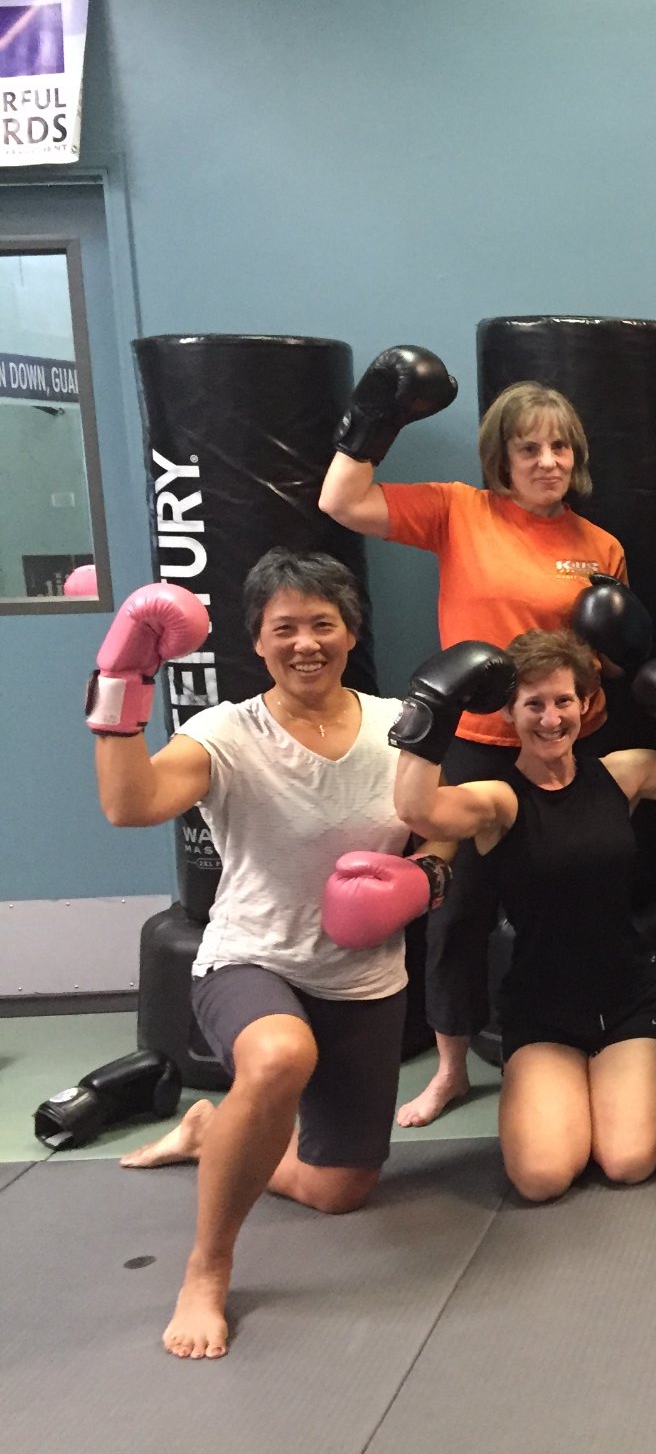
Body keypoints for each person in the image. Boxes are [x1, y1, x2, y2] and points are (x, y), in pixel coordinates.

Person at [96, 549, 440, 1359]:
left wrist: (422, 883)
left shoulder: (402, 729)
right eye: (284, 627)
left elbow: (445, 836)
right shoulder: (224, 734)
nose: (305, 643)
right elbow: (128, 803)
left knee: (339, 1189)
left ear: (351, 631)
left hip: (361, 976)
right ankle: (207, 1270)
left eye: (323, 624)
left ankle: (210, 1128)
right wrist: (120, 686)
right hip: (252, 958)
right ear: (258, 641)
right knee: (280, 1056)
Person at [320, 363, 640, 1127]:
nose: (547, 463)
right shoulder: (460, 511)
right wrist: (371, 421)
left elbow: (616, 662)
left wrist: (615, 653)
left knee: (583, 896)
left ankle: (593, 1034)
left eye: (560, 448)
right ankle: (453, 1068)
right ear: (502, 457)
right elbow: (341, 500)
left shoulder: (601, 546)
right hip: (475, 744)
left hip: (566, 747)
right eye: (529, 448)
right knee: (456, 907)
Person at [389, 631, 656, 1201]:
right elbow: (417, 808)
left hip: (629, 996)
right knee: (541, 1177)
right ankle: (563, 1089)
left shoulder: (622, 773)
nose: (551, 718)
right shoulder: (498, 800)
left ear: (584, 704)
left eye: (563, 700)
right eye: (533, 704)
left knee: (628, 1161)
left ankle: (603, 1087)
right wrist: (429, 711)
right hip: (543, 1012)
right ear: (509, 713)